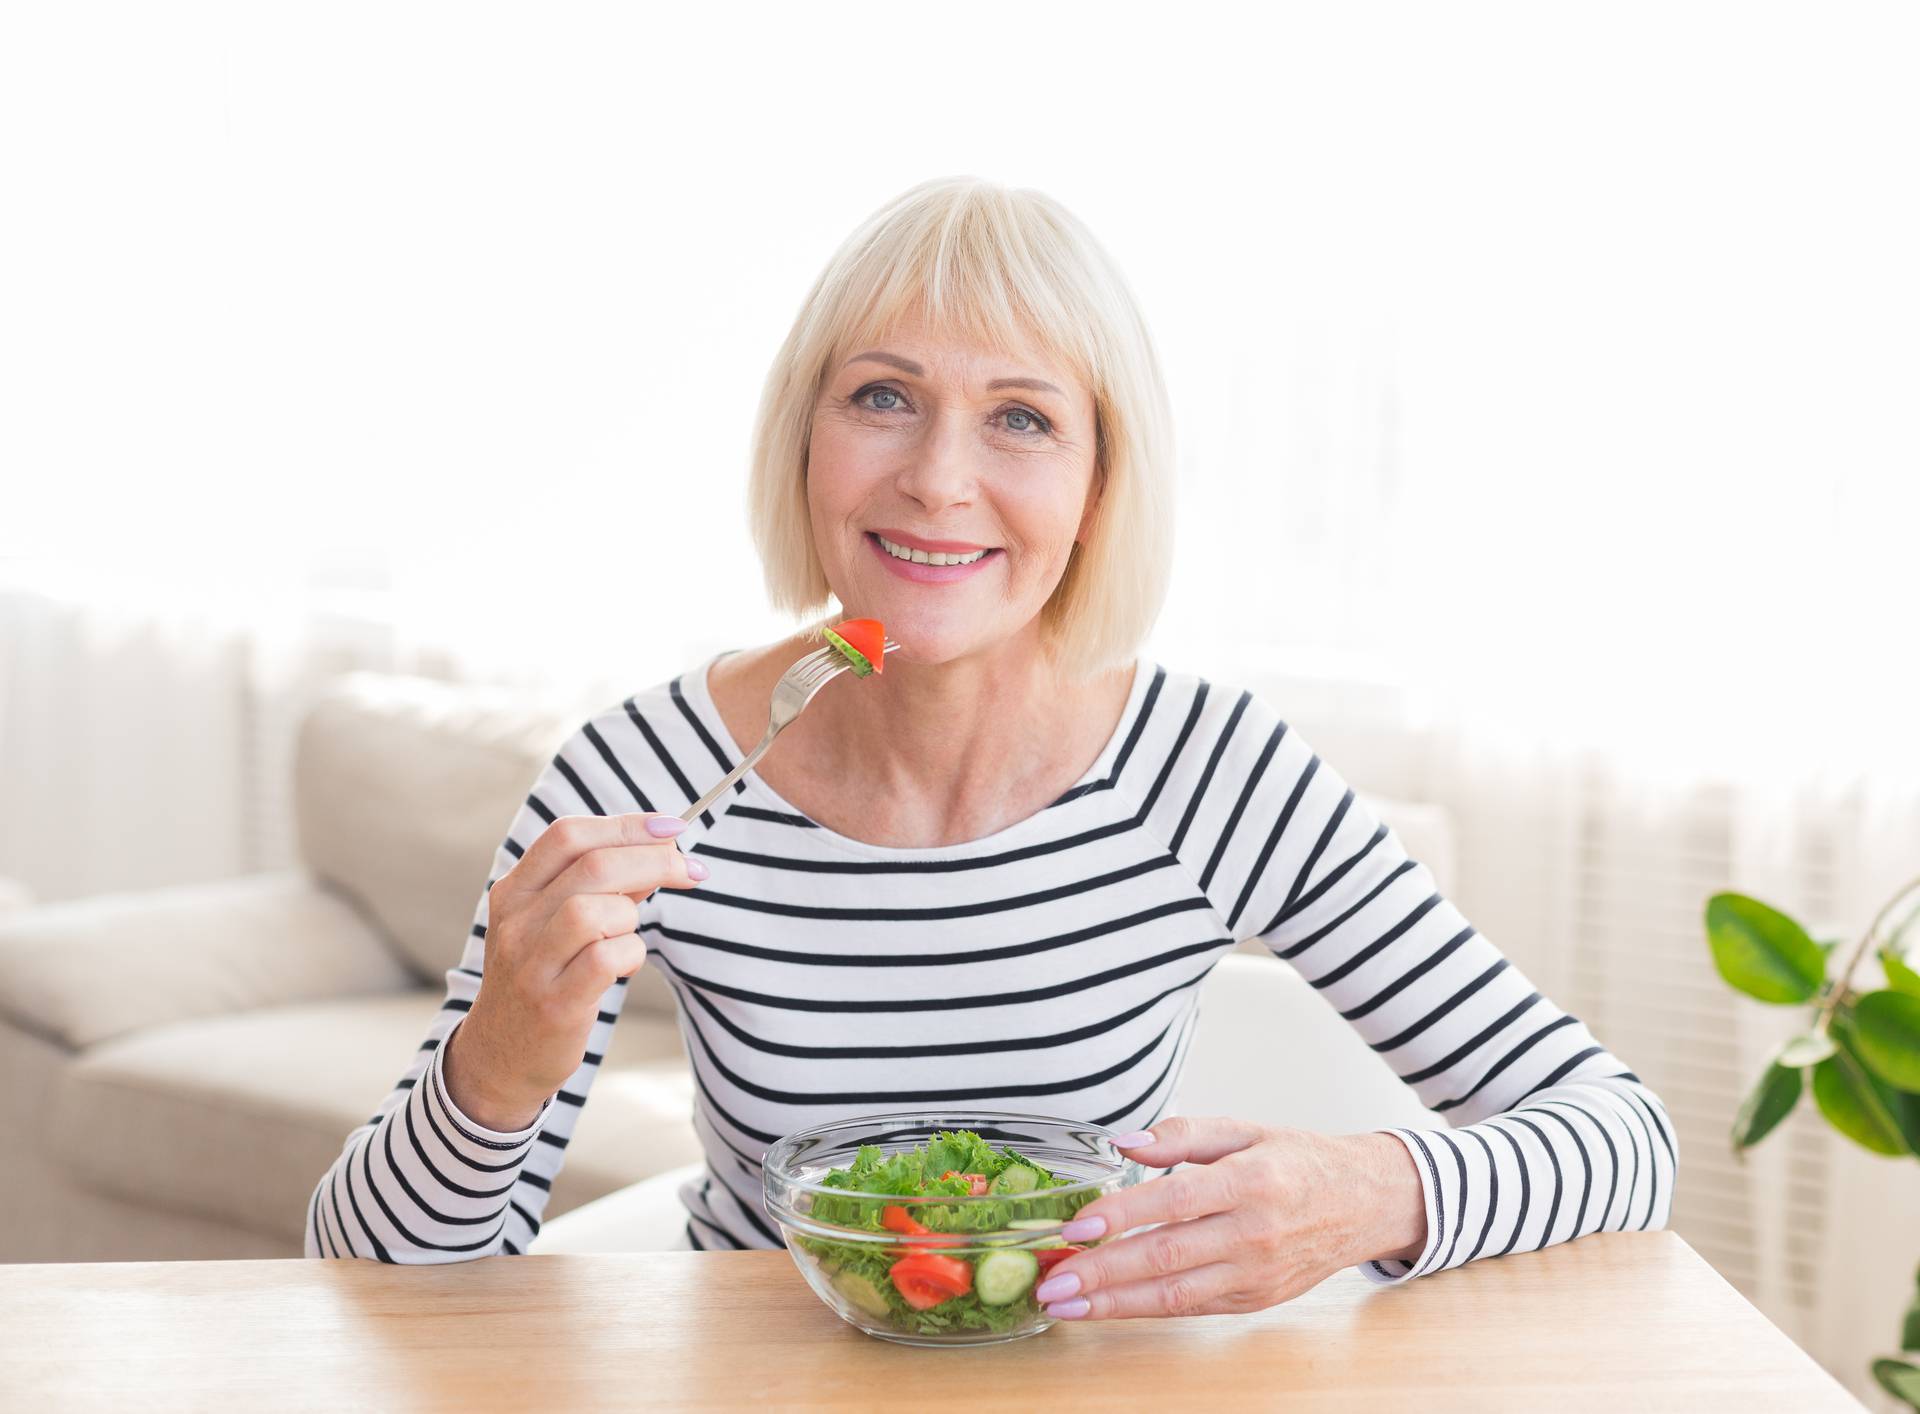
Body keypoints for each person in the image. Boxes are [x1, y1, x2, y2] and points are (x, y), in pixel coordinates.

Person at [306, 176, 1676, 1322]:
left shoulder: (1207, 770)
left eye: (1021, 417)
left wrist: (1377, 1187)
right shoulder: (645, 775)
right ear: (804, 443)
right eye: (884, 397)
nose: (939, 479)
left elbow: (1624, 1135)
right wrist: (493, 1067)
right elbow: (364, 1279)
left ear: (1098, 486)